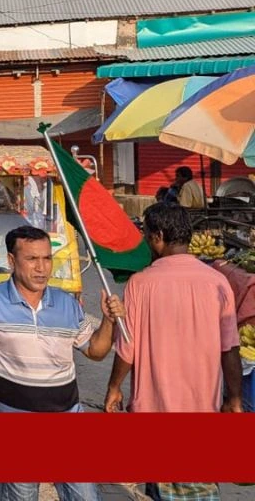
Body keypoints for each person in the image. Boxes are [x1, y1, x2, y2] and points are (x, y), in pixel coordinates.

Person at [0, 226, 122, 501]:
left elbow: (95, 351)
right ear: (11, 261)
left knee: (84, 496)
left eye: (47, 258)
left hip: (67, 416)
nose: (42, 268)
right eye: (32, 259)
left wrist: (108, 320)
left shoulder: (67, 303)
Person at [103, 204, 240, 501]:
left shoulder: (140, 284)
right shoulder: (217, 282)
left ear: (158, 236)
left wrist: (114, 387)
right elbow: (230, 350)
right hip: (203, 410)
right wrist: (234, 399)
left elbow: (128, 349)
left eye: (146, 236)